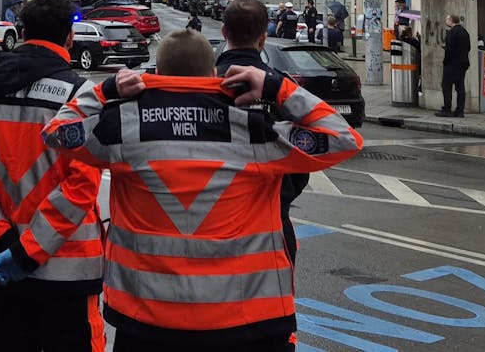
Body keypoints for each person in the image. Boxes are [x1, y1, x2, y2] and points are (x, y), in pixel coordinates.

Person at [45, 30, 362, 351]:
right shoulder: (252, 125)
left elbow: (56, 133)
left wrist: (105, 89)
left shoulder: (122, 125)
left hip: (146, 320)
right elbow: (343, 138)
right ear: (213, 74)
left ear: (156, 73)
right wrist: (275, 86)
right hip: (247, 322)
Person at [0, 0, 105, 352]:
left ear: (22, 32)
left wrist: (6, 246)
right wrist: (29, 251)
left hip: (2, 268)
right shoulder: (82, 97)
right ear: (69, 37)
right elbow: (80, 187)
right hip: (67, 270)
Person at [214, 0, 308, 265]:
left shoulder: (203, 83)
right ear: (263, 39)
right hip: (273, 226)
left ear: (224, 33)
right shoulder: (280, 87)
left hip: (213, 224)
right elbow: (303, 157)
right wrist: (280, 198)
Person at [438, 13, 471, 118]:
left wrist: (445, 61)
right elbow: (468, 47)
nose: (446, 21)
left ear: (451, 20)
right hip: (463, 63)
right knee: (460, 87)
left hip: (452, 63)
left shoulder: (452, 33)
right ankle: (460, 111)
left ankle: (447, 109)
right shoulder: (464, 32)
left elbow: (449, 49)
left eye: (447, 19)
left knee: (446, 85)